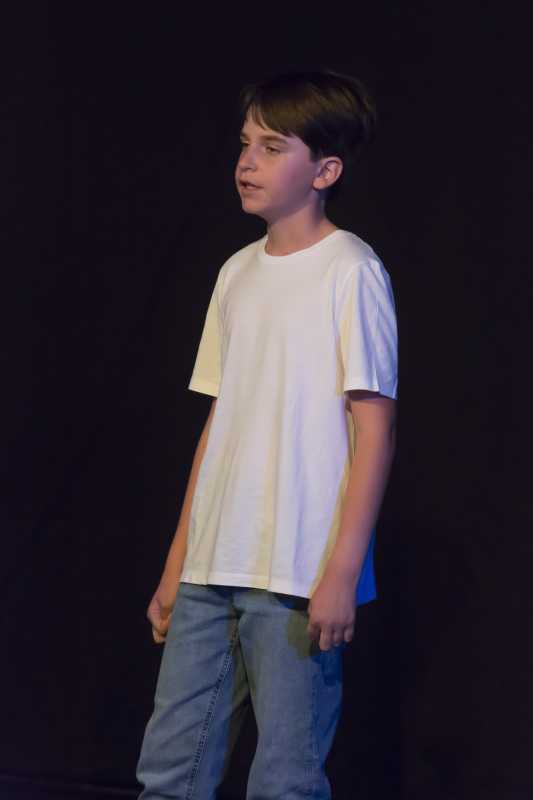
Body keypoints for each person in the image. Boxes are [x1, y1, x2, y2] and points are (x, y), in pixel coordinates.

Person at [136, 67, 398, 799]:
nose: (247, 161)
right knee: (169, 771)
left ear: (324, 170)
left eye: (272, 147)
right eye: (245, 143)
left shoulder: (350, 270)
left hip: (296, 574)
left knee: (285, 778)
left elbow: (374, 430)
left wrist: (342, 570)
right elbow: (221, 424)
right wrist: (178, 560)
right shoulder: (235, 273)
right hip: (210, 568)